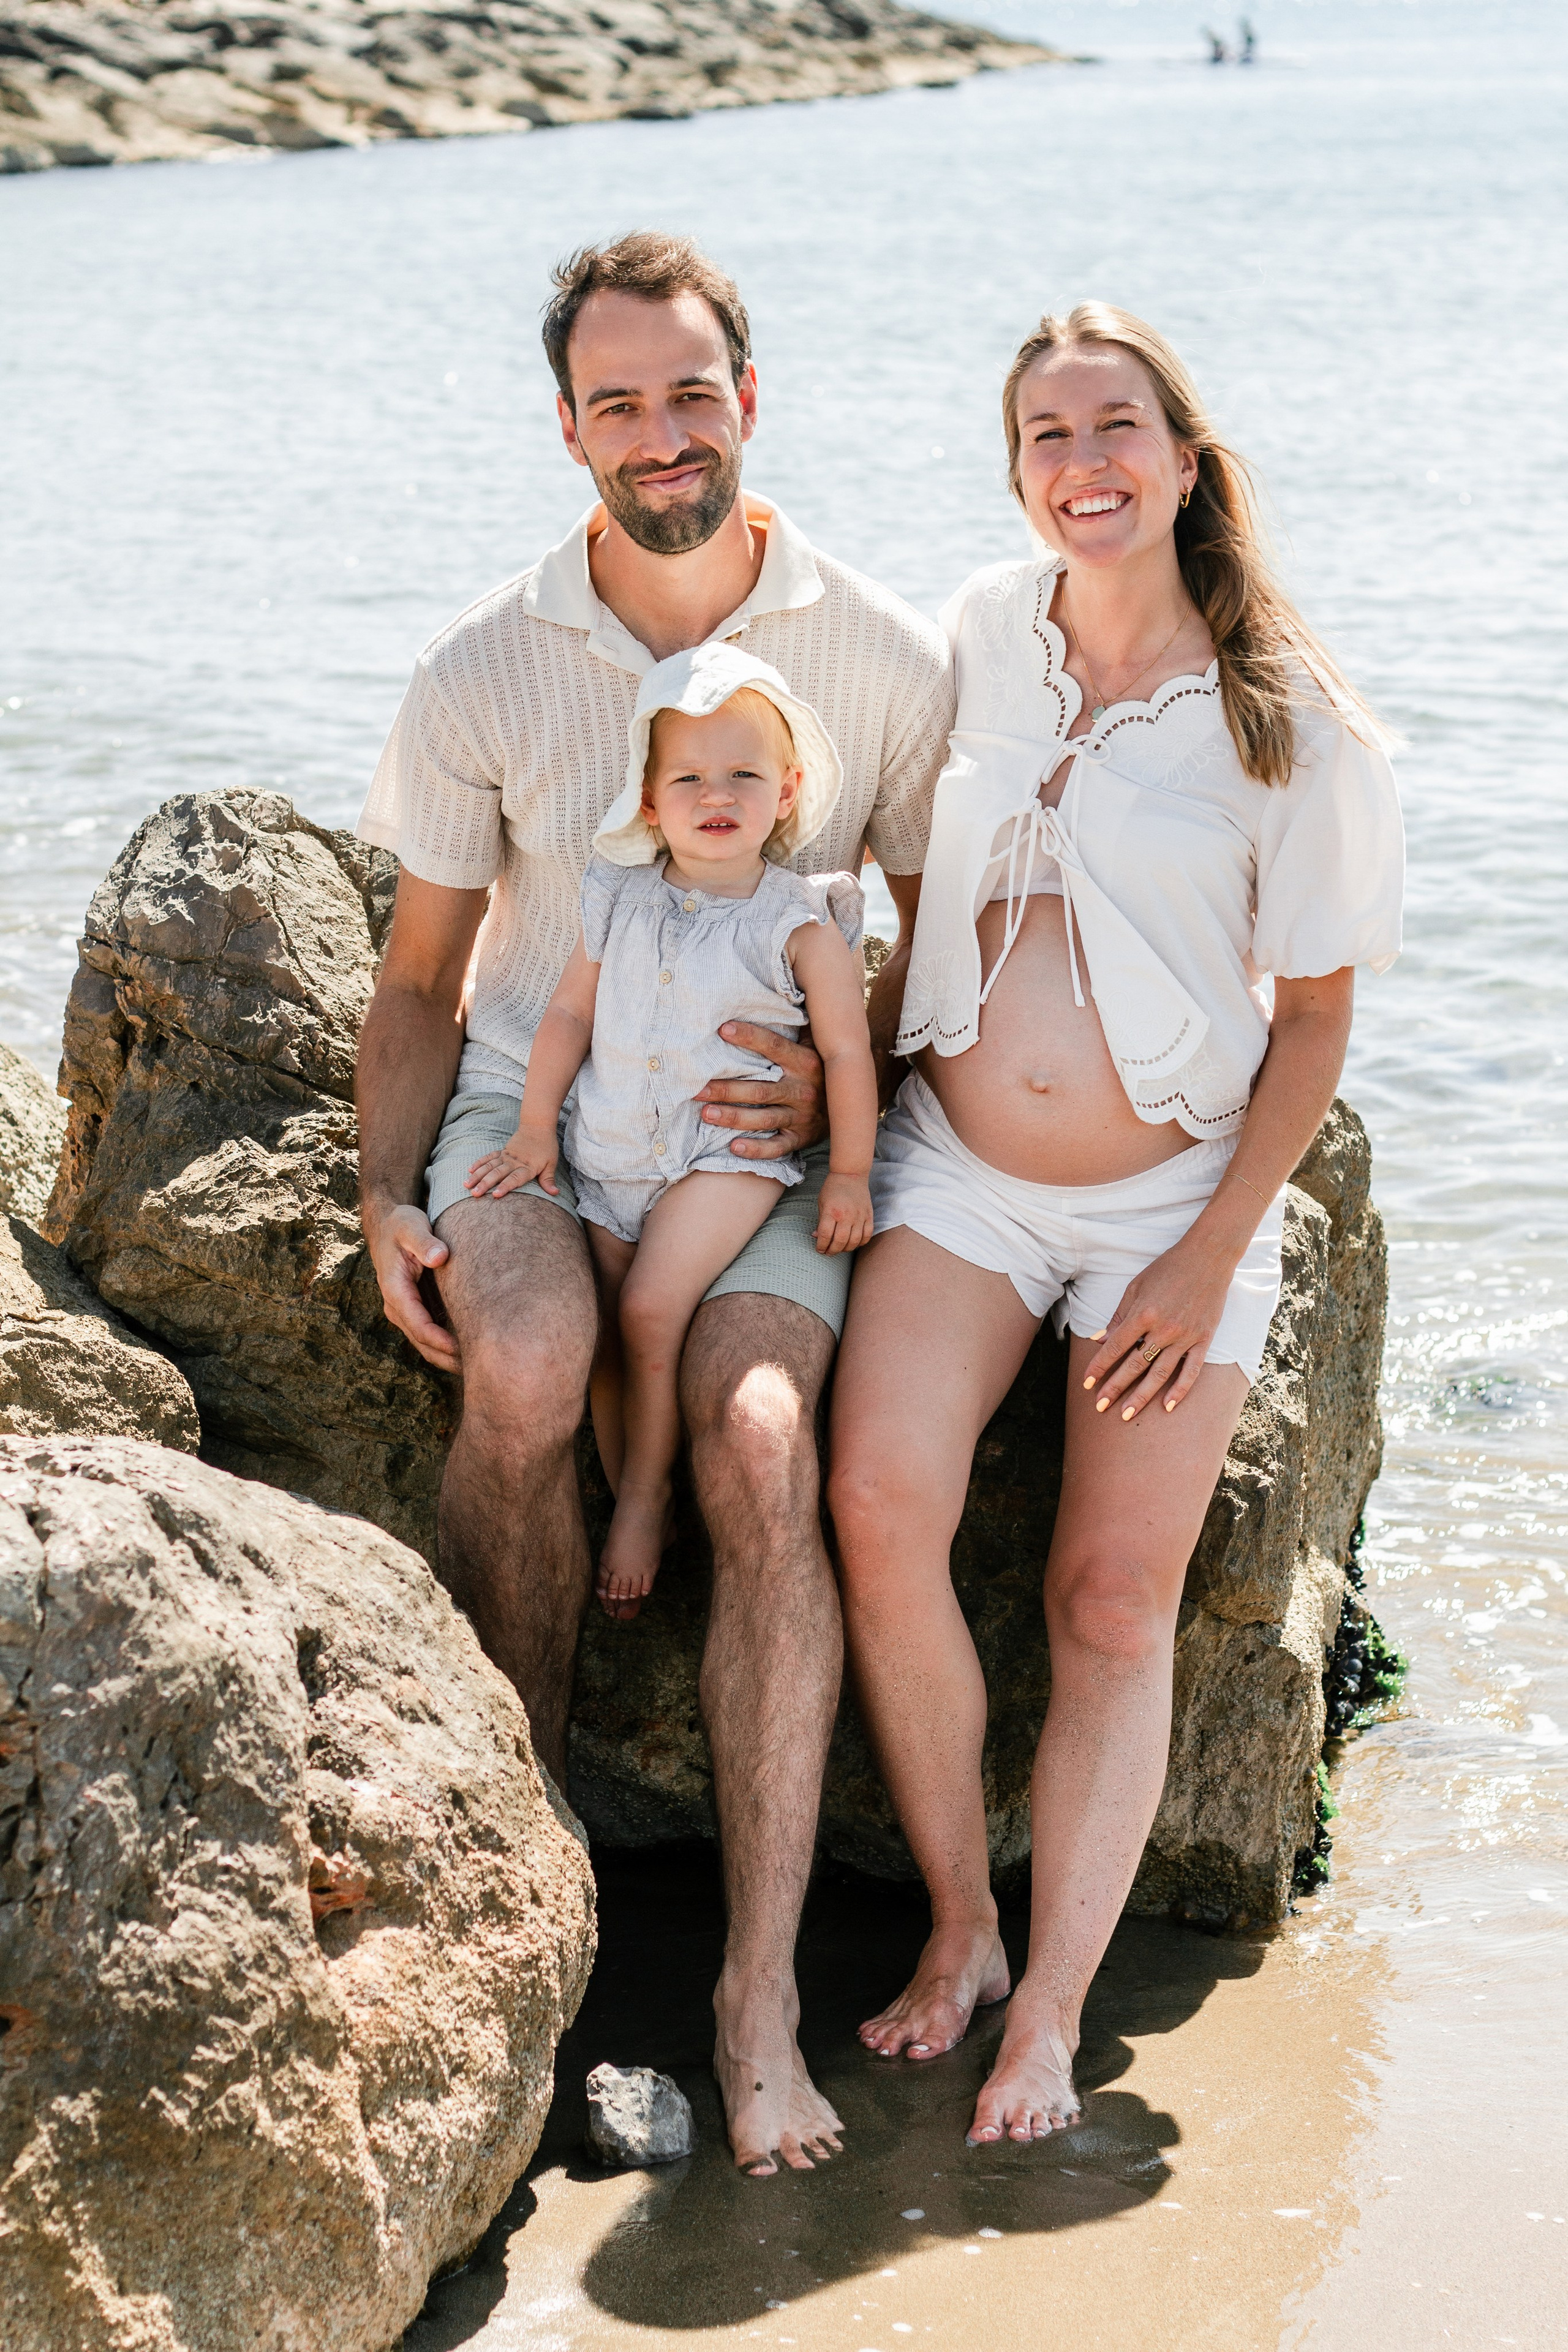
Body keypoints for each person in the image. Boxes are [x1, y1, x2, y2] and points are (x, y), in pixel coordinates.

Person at [352, 232, 954, 2177]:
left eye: (692, 390)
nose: (659, 430)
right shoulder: (482, 665)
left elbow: (941, 961)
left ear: (749, 401)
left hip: (751, 1159)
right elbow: (423, 975)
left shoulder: (878, 655)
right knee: (519, 1355)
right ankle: (496, 1899)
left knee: (765, 1448)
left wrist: (848, 1097)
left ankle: (755, 1999)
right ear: (567, 428)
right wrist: (383, 1191)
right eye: (617, 399)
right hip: (540, 1133)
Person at [827, 302, 1403, 2147]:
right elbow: (875, 837)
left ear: (1183, 454)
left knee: (1108, 1595)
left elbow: (1312, 1020)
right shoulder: (988, 633)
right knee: (875, 1505)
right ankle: (969, 1926)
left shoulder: (1289, 721)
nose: (1083, 462)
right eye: (1046, 434)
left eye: (1117, 425)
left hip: (1169, 1201)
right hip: (962, 1178)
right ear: (1017, 472)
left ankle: (1052, 2011)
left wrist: (1209, 1250)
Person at [463, 647, 875, 1619]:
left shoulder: (801, 925)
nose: (716, 794)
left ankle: (645, 1503)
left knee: (652, 1309)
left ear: (788, 791)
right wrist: (533, 1131)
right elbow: (565, 1019)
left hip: (722, 1156)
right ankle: (630, 1481)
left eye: (744, 775)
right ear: (650, 803)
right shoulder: (618, 898)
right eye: (688, 778)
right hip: (608, 1145)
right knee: (605, 1322)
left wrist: (851, 1171)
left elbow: (850, 1057)